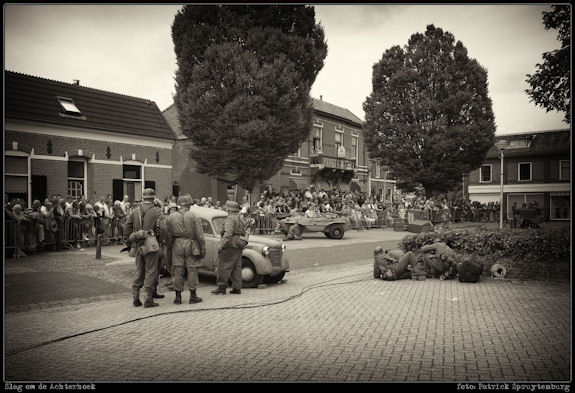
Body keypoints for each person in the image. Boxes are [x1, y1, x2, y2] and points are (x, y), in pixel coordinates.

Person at [124, 188, 163, 308]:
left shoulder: (134, 211)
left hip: (137, 244)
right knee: (151, 271)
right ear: (153, 198)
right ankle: (148, 298)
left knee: (139, 270)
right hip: (151, 244)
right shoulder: (157, 211)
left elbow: (126, 228)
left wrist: (131, 241)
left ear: (143, 198)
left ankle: (135, 297)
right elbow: (163, 229)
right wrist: (160, 241)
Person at [166, 195, 206, 304]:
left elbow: (168, 235)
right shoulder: (193, 216)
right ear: (188, 205)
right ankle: (193, 296)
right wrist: (202, 248)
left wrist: (170, 247)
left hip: (177, 244)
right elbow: (200, 235)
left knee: (178, 270)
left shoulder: (171, 216)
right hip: (191, 243)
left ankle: (177, 297)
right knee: (192, 270)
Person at [211, 201, 247, 295]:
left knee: (223, 266)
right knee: (237, 267)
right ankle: (237, 287)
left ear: (229, 209)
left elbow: (228, 234)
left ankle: (221, 287)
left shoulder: (230, 218)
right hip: (239, 244)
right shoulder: (240, 218)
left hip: (230, 245)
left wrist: (221, 244)